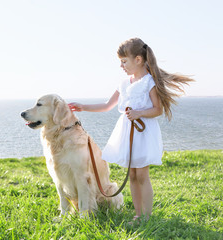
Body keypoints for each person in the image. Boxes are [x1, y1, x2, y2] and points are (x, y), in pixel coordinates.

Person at [69, 38, 193, 224]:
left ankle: (147, 216)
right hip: (127, 131)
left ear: (138, 60)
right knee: (133, 175)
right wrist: (82, 106)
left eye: (124, 61)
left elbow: (157, 109)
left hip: (143, 132)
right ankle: (138, 214)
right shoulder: (124, 83)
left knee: (142, 175)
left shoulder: (149, 82)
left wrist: (139, 113)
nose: (121, 65)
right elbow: (107, 105)